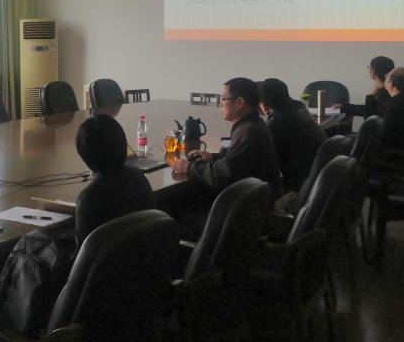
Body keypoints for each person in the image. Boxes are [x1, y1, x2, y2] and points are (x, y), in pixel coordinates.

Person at [173, 77, 282, 199]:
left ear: (239, 102)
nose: (220, 104)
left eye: (223, 99)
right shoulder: (254, 124)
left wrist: (189, 167)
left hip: (255, 205)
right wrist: (213, 157)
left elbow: (220, 176)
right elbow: (239, 160)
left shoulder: (249, 131)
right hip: (257, 198)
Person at [74, 114, 155, 243]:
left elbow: (82, 252)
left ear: (84, 155)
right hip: (144, 254)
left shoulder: (88, 199)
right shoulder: (140, 179)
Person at [260, 78, 326, 192]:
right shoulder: (299, 107)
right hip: (317, 177)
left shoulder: (276, 123)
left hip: (299, 185)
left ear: (264, 105)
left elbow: (265, 162)